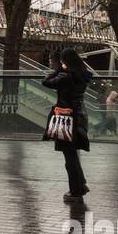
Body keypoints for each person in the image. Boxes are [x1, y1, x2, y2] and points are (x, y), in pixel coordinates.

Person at [43, 47, 93, 203]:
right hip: (80, 116)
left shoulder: (65, 77)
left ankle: (76, 190)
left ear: (65, 61)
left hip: (66, 119)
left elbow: (46, 82)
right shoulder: (83, 75)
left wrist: (58, 70)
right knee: (72, 155)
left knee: (69, 157)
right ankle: (81, 184)